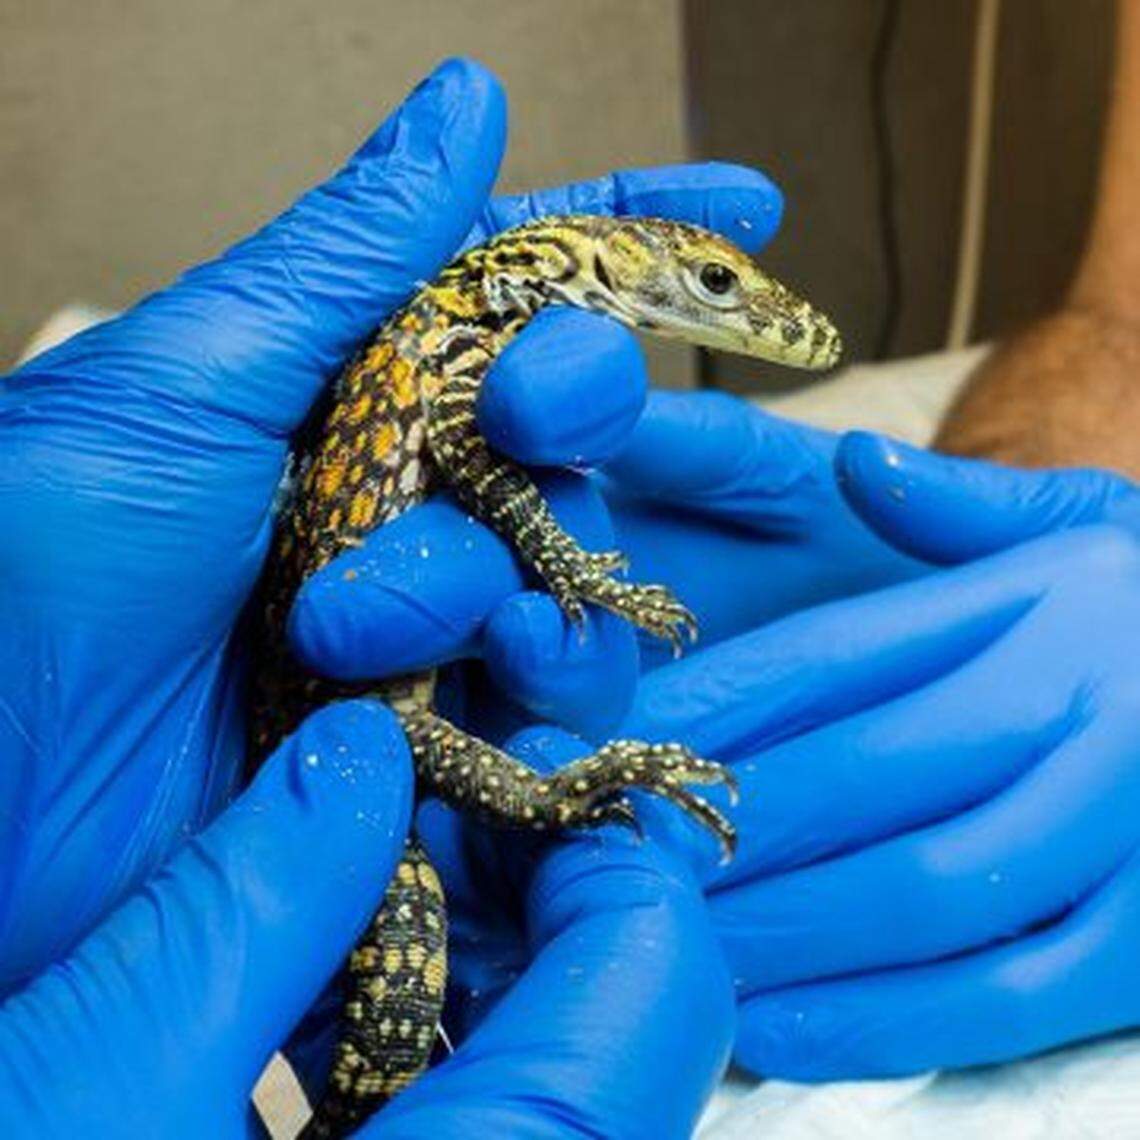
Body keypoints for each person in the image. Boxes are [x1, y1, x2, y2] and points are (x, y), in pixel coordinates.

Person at [0, 21, 1135, 1140]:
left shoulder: (464, 334)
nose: (749, 316)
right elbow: (481, 481)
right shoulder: (443, 329)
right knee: (409, 867)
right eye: (708, 284)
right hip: (331, 737)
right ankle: (555, 805)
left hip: (339, 736)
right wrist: (575, 567)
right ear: (604, 259)